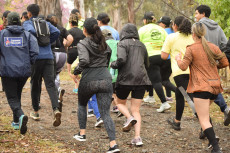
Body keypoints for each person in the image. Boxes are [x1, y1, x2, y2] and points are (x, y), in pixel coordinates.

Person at [176, 22, 228, 153]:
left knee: (203, 118)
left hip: (201, 88)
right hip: (215, 87)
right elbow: (225, 62)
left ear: (193, 34)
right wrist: (212, 67)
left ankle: (216, 148)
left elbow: (183, 66)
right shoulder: (213, 47)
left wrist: (178, 59)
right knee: (204, 114)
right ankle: (209, 139)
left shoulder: (191, 48)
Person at [72, 17, 120, 153]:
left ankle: (82, 134)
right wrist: (103, 66)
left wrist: (76, 71)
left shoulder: (83, 43)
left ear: (85, 30)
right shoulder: (103, 42)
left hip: (89, 80)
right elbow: (109, 55)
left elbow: (84, 61)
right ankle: (113, 144)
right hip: (105, 79)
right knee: (106, 114)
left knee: (82, 104)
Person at [111, 23, 152, 146]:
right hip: (141, 79)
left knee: (119, 103)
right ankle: (137, 137)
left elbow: (122, 59)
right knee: (136, 110)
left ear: (123, 32)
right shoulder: (142, 45)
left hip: (125, 79)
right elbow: (147, 64)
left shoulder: (122, 44)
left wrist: (114, 64)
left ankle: (129, 118)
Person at [23, 4, 62, 127]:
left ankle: (35, 112)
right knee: (50, 84)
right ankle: (56, 109)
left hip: (36, 58)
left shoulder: (27, 23)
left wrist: (36, 42)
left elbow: (30, 31)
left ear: (29, 13)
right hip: (49, 57)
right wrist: (47, 42)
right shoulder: (45, 23)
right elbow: (57, 31)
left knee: (35, 83)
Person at [0, 12, 39, 134]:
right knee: (17, 94)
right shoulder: (27, 35)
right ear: (19, 21)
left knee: (12, 97)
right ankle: (16, 122)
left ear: (8, 22)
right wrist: (29, 63)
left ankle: (21, 116)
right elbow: (35, 51)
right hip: (23, 71)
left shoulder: (1, 35)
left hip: (7, 71)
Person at [195, 4, 230, 127]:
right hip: (214, 62)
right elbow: (225, 44)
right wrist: (217, 55)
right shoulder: (218, 27)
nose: (195, 16)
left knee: (201, 91)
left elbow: (193, 42)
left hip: (199, 62)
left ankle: (205, 124)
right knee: (213, 87)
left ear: (203, 14)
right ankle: (225, 109)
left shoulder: (197, 26)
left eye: (196, 13)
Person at [161, 16, 194, 130]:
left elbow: (164, 56)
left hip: (180, 73)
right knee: (180, 96)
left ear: (176, 25)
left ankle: (207, 125)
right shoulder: (193, 37)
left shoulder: (171, 37)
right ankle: (177, 121)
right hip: (194, 72)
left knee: (190, 99)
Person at [139, 12, 172, 112]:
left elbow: (139, 43)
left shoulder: (142, 29)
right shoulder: (161, 29)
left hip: (151, 57)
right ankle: (154, 96)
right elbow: (168, 41)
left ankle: (164, 103)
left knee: (156, 81)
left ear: (145, 20)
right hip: (163, 56)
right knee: (163, 80)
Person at [46, 14, 73, 111]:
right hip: (62, 54)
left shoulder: (46, 28)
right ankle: (58, 89)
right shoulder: (61, 28)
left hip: (52, 53)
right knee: (57, 73)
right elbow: (71, 39)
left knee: (51, 75)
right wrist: (66, 46)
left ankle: (57, 91)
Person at [157, 16, 176, 102]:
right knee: (166, 78)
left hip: (165, 58)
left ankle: (178, 92)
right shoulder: (174, 32)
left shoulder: (162, 32)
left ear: (163, 24)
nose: (158, 24)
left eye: (160, 22)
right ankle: (169, 97)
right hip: (173, 59)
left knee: (162, 80)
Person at [67, 14, 85, 93]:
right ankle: (77, 86)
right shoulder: (82, 32)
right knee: (79, 70)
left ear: (70, 23)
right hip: (80, 52)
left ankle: (76, 83)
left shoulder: (68, 32)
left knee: (70, 71)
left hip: (71, 51)